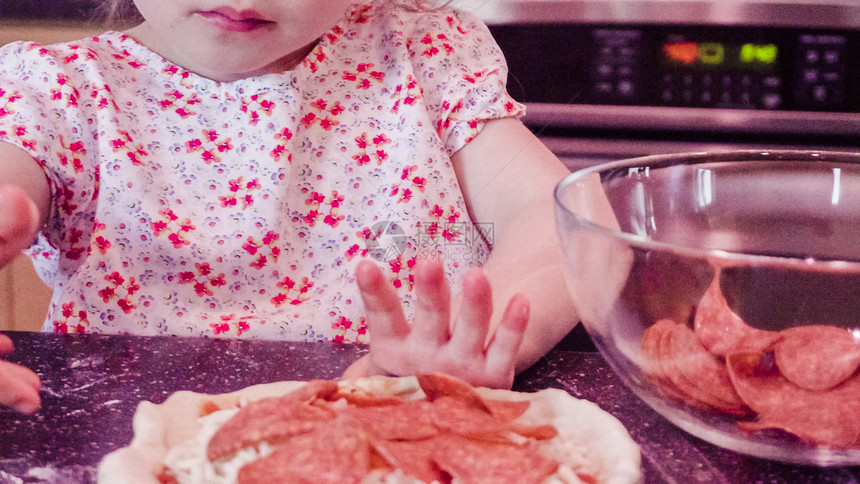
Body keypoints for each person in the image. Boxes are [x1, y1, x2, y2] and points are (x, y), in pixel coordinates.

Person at [0, 0, 577, 414]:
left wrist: (467, 344)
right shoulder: (58, 90)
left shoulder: (424, 54)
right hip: (122, 438)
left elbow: (563, 220)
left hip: (393, 428)